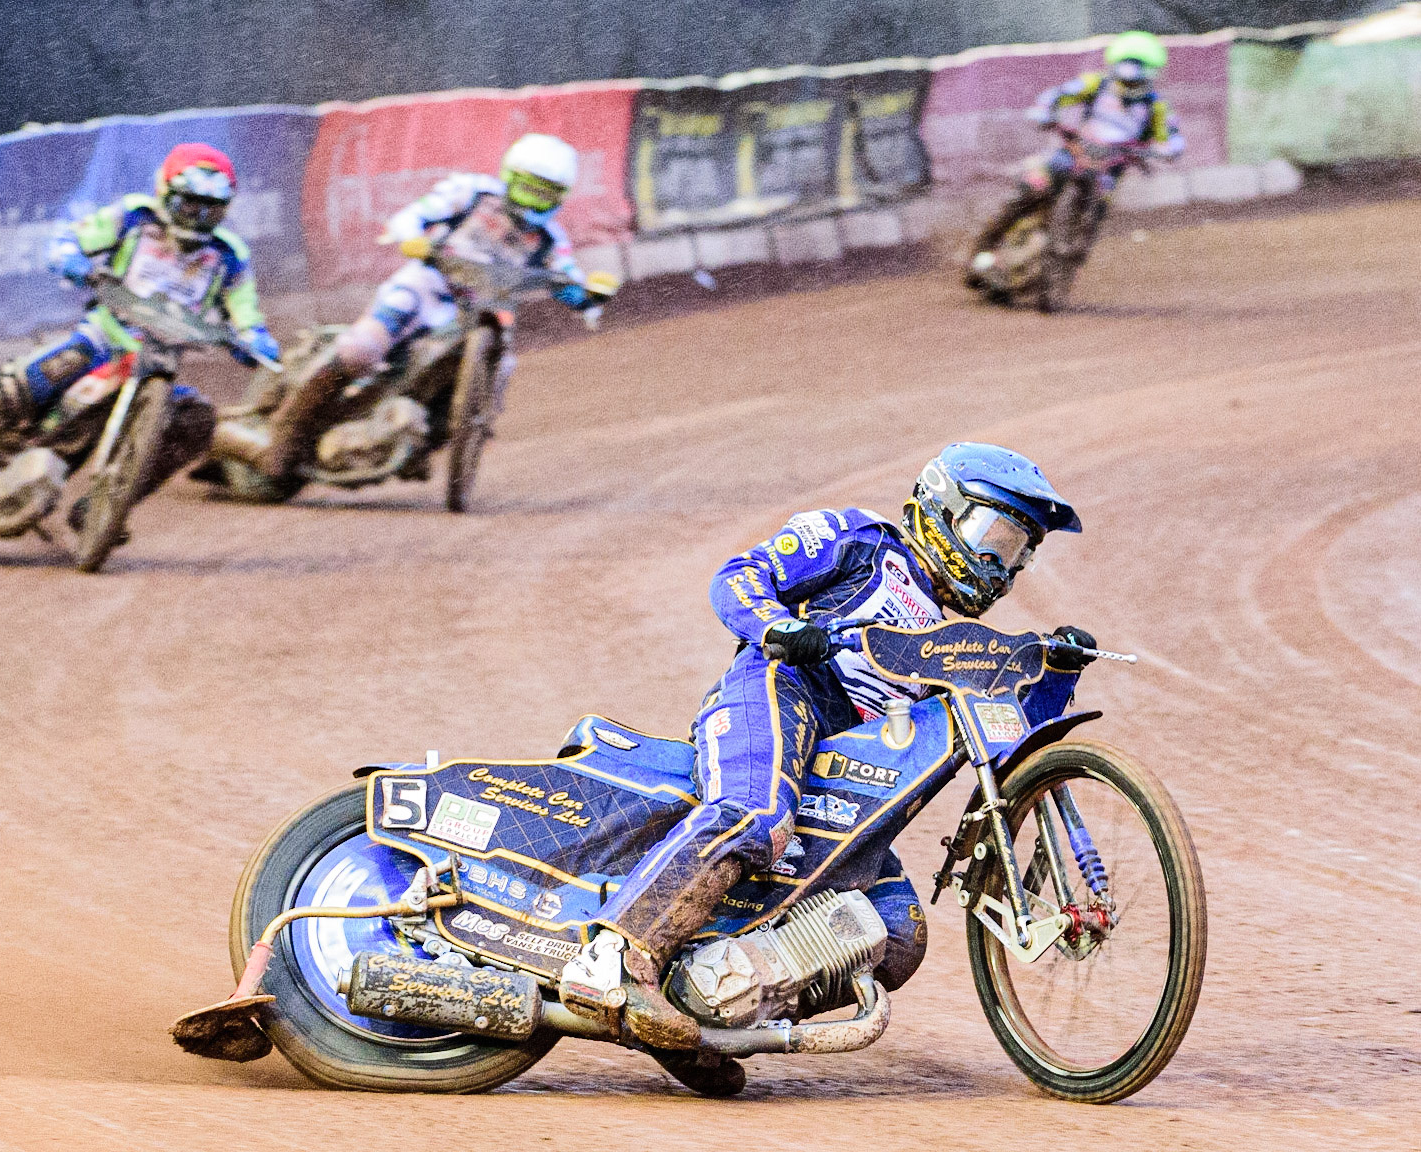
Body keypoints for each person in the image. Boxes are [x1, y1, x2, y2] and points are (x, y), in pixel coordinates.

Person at [567, 443, 1098, 1063]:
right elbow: (740, 574)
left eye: (1018, 553)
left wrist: (1056, 671)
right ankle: (610, 954)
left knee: (898, 929)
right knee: (753, 815)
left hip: (848, 765)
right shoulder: (860, 540)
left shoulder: (958, 643)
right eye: (994, 535)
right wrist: (776, 625)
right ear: (944, 509)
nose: (1000, 567)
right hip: (777, 690)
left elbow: (1010, 744)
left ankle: (703, 1019)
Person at [0, 142, 279, 529]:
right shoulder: (133, 218)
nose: (197, 217)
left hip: (160, 363)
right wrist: (74, 262)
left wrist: (256, 343)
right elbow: (68, 241)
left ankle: (103, 507)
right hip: (102, 341)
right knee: (13, 390)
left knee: (196, 420)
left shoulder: (229, 256)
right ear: (164, 192)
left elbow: (248, 317)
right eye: (188, 203)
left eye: (210, 209)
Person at [221, 132, 615, 500]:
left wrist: (589, 295)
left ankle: (447, 433)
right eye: (527, 188)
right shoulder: (473, 193)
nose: (532, 202)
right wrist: (413, 237)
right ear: (509, 177)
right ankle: (286, 429)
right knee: (361, 351)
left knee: (504, 362)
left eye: (544, 195)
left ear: (560, 197)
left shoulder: (551, 241)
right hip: (426, 288)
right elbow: (417, 214)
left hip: (481, 311)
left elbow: (566, 279)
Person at [968, 30, 1185, 282]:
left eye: (1135, 81)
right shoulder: (1097, 84)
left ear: (1150, 74)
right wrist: (1044, 110)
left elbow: (1173, 136)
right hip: (1074, 153)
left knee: (1095, 214)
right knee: (1028, 190)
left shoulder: (1157, 106)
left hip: (1109, 168)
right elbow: (1058, 94)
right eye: (1125, 79)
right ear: (1114, 68)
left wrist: (1166, 149)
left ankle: (1070, 266)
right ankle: (982, 248)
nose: (1128, 86)